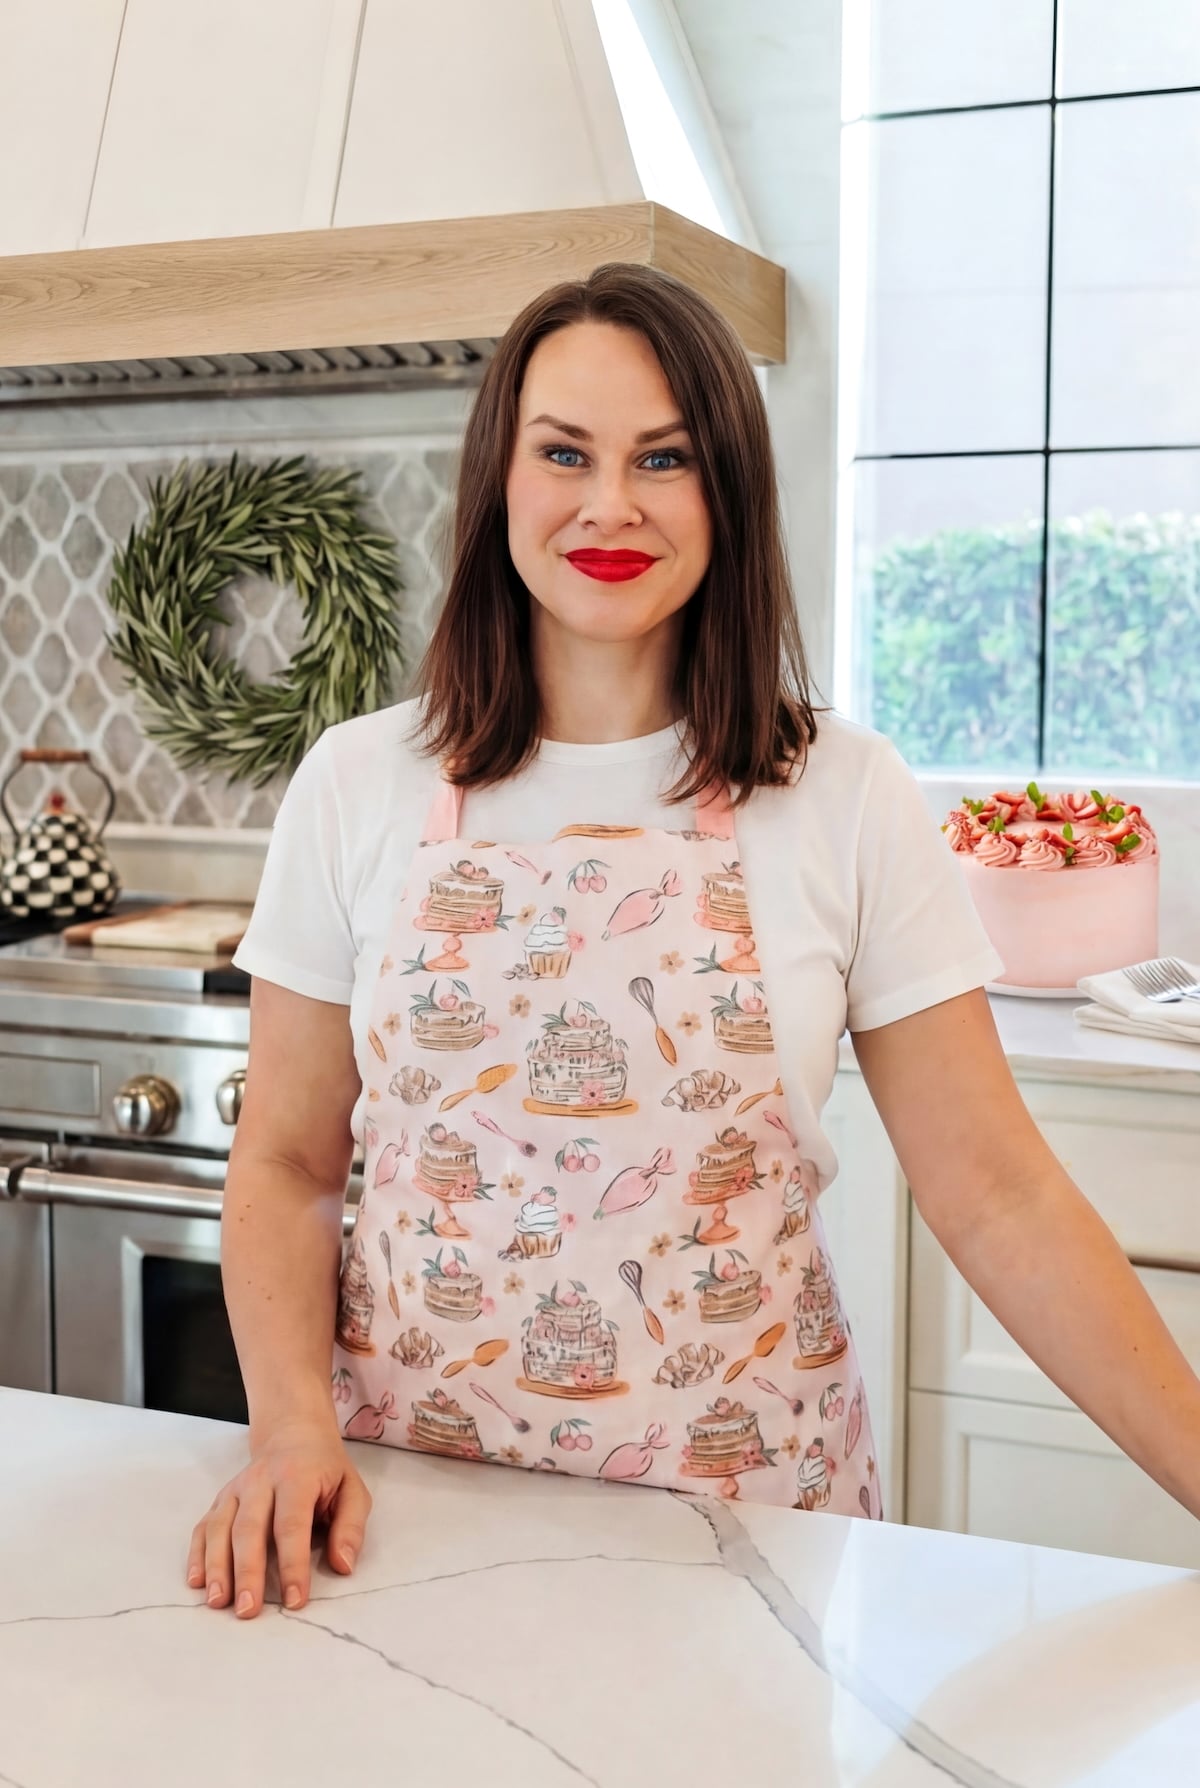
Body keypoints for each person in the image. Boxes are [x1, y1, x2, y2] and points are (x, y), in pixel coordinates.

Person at [189, 263, 1200, 1620]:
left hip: (753, 1535)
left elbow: (997, 1196)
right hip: (411, 1525)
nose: (610, 505)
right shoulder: (358, 781)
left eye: (663, 457)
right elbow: (291, 1161)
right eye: (565, 454)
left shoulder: (841, 792)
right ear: (500, 480)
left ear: (727, 491)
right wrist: (289, 1429)